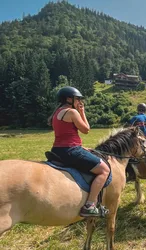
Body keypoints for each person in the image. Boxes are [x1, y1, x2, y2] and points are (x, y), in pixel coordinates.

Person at [48, 86, 110, 217]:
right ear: (69, 99)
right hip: (71, 150)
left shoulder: (57, 112)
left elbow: (65, 135)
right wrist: (82, 112)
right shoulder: (72, 112)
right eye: (77, 99)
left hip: (58, 150)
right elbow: (86, 129)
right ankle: (90, 205)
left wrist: (80, 146)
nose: (79, 102)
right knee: (104, 170)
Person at [125, 103, 146, 182]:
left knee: (127, 156)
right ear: (145, 110)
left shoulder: (135, 118)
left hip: (137, 142)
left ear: (137, 110)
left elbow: (129, 130)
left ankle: (132, 175)